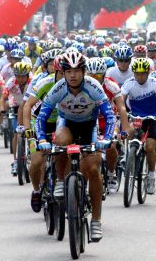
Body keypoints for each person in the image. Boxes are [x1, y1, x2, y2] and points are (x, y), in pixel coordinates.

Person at [36, 51, 116, 242]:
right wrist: (41, 140)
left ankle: (96, 221)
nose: (73, 75)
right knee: (61, 141)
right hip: (67, 124)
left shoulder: (93, 86)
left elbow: (110, 116)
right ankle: (62, 180)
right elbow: (41, 117)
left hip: (90, 126)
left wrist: (106, 138)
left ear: (84, 71)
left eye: (77, 71)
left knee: (93, 169)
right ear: (63, 73)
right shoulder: (58, 88)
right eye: (68, 71)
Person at [23, 55, 64, 213]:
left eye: (66, 73)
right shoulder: (44, 83)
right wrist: (27, 129)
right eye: (60, 73)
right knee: (36, 161)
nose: (63, 77)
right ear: (54, 71)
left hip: (61, 124)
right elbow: (27, 106)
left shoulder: (73, 85)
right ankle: (36, 190)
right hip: (40, 122)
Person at [121, 58, 156, 194]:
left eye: (143, 73)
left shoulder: (155, 83)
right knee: (128, 132)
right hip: (135, 117)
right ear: (133, 73)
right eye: (137, 73)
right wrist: (119, 111)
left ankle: (151, 176)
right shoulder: (129, 83)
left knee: (150, 147)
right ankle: (127, 156)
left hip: (151, 118)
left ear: (148, 73)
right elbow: (121, 100)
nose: (140, 76)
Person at [86, 57, 129, 193]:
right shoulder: (83, 85)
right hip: (90, 120)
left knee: (111, 145)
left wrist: (125, 129)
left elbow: (122, 108)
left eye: (98, 76)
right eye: (91, 76)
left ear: (104, 75)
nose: (95, 79)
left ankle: (111, 173)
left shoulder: (111, 85)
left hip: (108, 120)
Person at [0, 62, 32, 175]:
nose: (20, 78)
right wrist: (2, 108)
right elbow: (3, 97)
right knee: (16, 133)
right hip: (16, 106)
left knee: (31, 131)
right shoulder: (11, 82)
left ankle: (31, 153)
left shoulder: (33, 81)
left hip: (30, 107)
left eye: (23, 76)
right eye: (18, 76)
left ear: (28, 75)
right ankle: (15, 161)